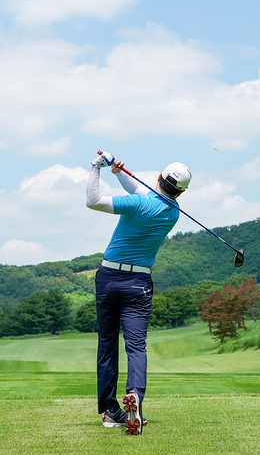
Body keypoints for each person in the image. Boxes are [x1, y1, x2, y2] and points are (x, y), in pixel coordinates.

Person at [85, 151, 191, 435]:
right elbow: (144, 193)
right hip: (138, 283)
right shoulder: (173, 212)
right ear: (181, 193)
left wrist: (96, 168)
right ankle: (135, 395)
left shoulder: (136, 203)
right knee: (136, 346)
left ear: (158, 177)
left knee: (107, 345)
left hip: (108, 278)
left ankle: (110, 411)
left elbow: (92, 201)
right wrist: (119, 172)